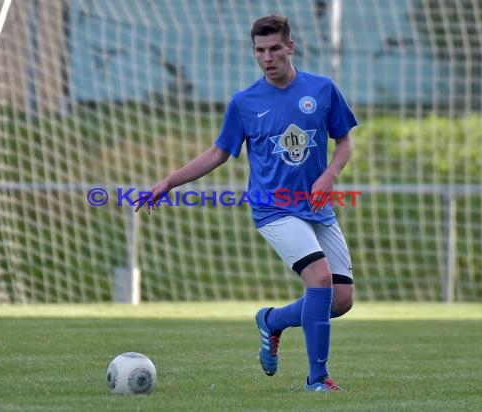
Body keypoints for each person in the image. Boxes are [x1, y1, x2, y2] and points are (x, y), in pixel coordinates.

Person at [135, 15, 358, 392]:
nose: (267, 57)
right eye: (259, 50)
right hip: (273, 209)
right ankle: (317, 379)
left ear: (290, 47)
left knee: (340, 301)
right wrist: (170, 181)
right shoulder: (245, 102)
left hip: (317, 207)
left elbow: (345, 142)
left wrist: (329, 175)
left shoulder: (322, 89)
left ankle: (271, 321)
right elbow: (218, 153)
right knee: (319, 279)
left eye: (274, 48)